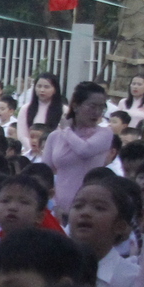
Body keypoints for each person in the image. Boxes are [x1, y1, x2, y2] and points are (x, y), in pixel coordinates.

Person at [43, 80, 114, 217]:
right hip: (58, 208)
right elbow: (45, 173)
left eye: (101, 107)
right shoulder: (55, 136)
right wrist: (52, 204)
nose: (97, 112)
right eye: (92, 106)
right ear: (75, 106)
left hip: (90, 208)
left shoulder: (104, 134)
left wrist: (66, 130)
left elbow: (84, 151)